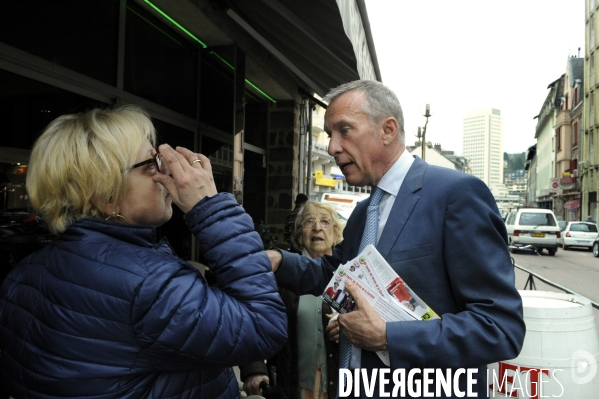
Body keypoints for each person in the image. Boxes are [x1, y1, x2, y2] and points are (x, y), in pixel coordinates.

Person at [0, 105, 287, 398]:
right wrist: (211, 208)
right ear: (106, 195)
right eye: (152, 164)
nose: (168, 173)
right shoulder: (150, 285)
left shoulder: (23, 274)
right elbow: (264, 327)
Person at [266, 80, 525, 398]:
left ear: (388, 130)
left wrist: (389, 337)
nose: (332, 146)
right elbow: (335, 276)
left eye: (344, 130)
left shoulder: (455, 195)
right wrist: (279, 261)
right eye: (330, 134)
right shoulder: (363, 212)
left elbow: (499, 328)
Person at [241, 201, 345, 399]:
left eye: (325, 222)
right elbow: (248, 323)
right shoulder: (280, 275)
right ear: (299, 234)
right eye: (308, 222)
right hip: (289, 388)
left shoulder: (350, 277)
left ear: (336, 234)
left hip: (338, 387)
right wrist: (254, 369)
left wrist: (350, 329)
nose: (317, 228)